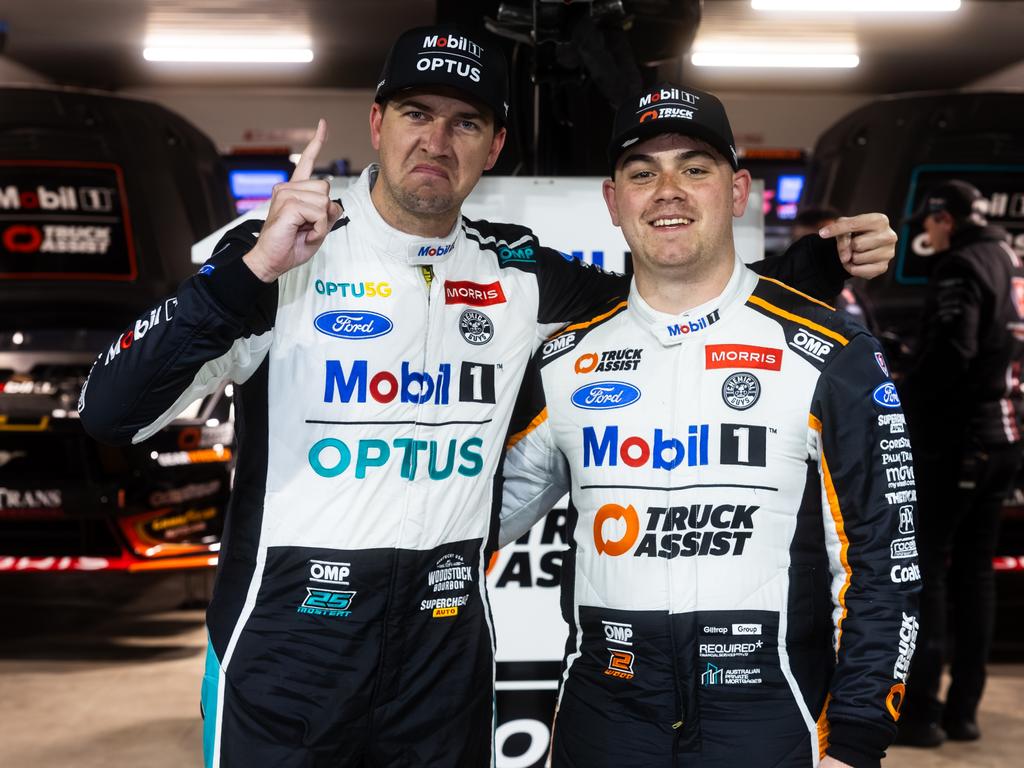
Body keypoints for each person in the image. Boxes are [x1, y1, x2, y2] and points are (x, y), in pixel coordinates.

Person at [77, 23, 898, 768]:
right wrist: (248, 271)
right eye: (416, 114)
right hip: (288, 649)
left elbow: (666, 295)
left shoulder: (521, 274)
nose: (436, 141)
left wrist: (819, 266)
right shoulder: (279, 251)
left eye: (465, 122)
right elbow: (111, 411)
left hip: (444, 658)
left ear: (496, 144)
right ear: (377, 122)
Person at [500, 83, 919, 768]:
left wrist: (860, 734)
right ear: (614, 202)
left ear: (738, 191)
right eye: (642, 173)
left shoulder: (834, 353)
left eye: (695, 168)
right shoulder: (562, 363)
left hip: (770, 717)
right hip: (602, 718)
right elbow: (465, 522)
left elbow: (885, 561)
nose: (668, 190)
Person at [896, 180, 1024, 747]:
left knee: (928, 575)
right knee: (976, 576)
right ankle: (963, 711)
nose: (925, 235)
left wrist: (905, 392)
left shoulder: (960, 265)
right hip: (1006, 437)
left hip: (960, 443)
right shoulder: (1012, 258)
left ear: (944, 219)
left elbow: (955, 352)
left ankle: (921, 713)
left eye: (927, 224)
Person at [793, 207, 877, 333]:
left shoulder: (849, 288)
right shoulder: (787, 291)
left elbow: (872, 332)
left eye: (832, 240)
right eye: (807, 244)